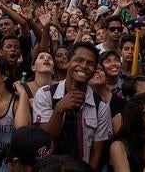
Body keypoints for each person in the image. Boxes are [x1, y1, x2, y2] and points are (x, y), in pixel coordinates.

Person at [33, 42, 111, 170]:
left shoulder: (101, 106)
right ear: (68, 62)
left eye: (90, 63)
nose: (84, 66)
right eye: (79, 60)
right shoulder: (45, 94)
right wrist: (59, 109)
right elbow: (46, 142)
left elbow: (97, 152)